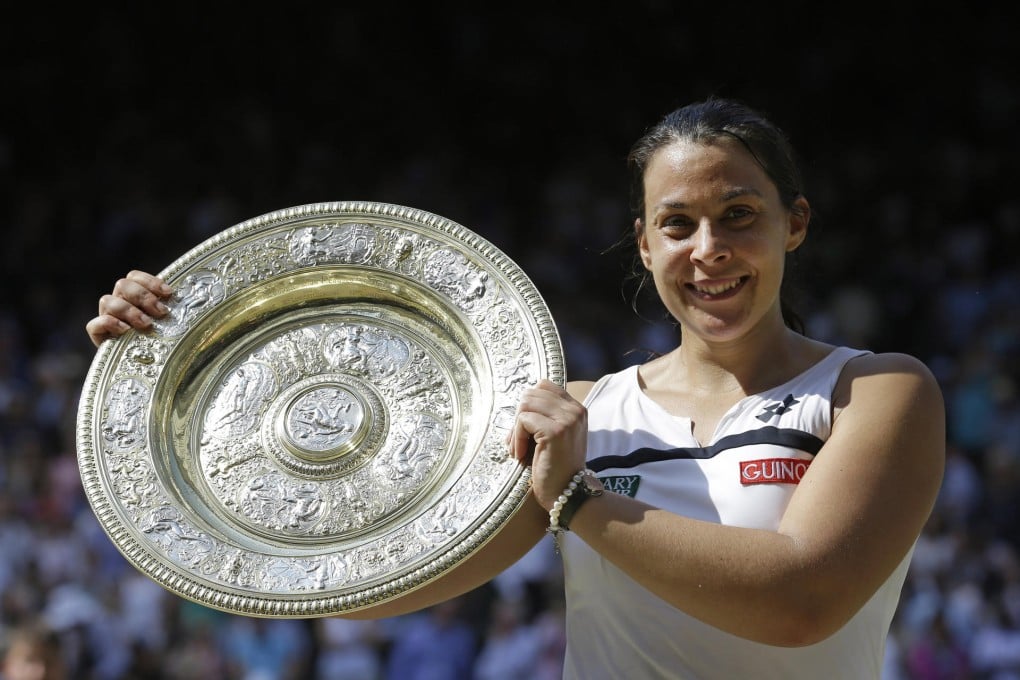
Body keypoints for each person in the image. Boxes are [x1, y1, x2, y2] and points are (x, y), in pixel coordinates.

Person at [85, 97, 946, 679]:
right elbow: (366, 581)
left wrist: (576, 501)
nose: (708, 249)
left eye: (741, 215)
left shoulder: (875, 392)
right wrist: (162, 379)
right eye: (677, 224)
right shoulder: (581, 413)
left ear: (794, 223)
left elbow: (802, 602)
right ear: (644, 245)